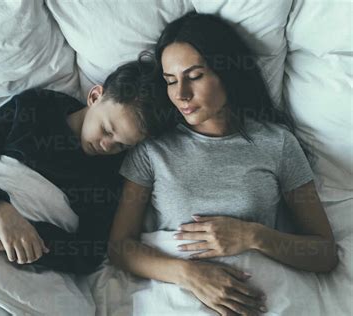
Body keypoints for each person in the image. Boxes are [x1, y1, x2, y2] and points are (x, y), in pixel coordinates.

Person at [108, 12, 338, 316]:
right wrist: (188, 275)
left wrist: (253, 235)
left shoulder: (277, 143)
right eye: (170, 81)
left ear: (226, 71)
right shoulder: (153, 148)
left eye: (194, 76)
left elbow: (324, 254)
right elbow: (119, 247)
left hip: (261, 298)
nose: (181, 94)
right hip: (179, 296)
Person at [0, 57, 175, 274]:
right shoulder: (32, 109)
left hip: (27, 259)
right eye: (107, 130)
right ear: (94, 96)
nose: (107, 146)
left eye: (122, 145)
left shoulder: (109, 174)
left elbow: (87, 255)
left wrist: (0, 239)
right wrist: (0, 211)